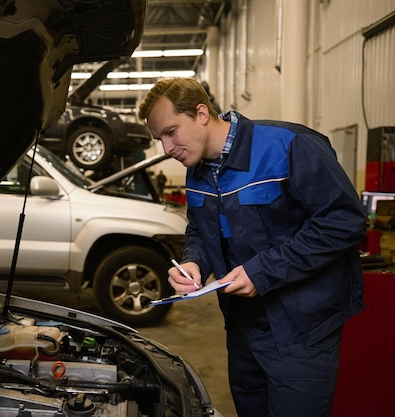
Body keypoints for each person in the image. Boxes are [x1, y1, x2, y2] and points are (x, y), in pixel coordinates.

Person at [137, 77, 366, 417]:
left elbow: (344, 221)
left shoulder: (289, 145)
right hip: (242, 326)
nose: (166, 148)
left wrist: (262, 270)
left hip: (302, 328)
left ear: (201, 113)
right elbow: (199, 229)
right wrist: (194, 263)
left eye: (171, 132)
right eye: (160, 139)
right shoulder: (196, 169)